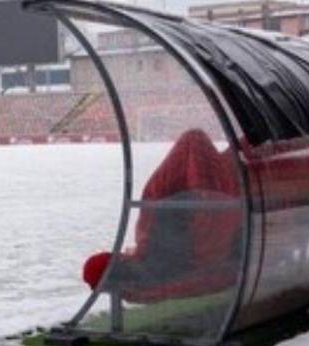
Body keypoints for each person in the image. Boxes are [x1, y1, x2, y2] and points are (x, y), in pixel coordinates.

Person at [82, 129, 242, 302]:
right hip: (213, 219)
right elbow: (194, 140)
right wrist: (204, 193)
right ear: (119, 260)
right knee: (193, 139)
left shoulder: (147, 280)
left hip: (218, 229)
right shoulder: (153, 241)